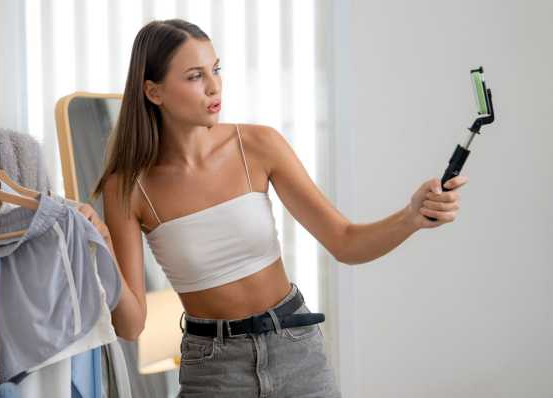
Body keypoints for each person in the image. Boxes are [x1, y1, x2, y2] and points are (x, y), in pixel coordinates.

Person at [78, 19, 468, 397]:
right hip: (213, 368)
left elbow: (345, 242)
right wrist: (103, 245)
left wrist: (411, 217)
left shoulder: (258, 146)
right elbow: (131, 325)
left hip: (295, 348)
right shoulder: (129, 187)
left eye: (216, 69)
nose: (214, 86)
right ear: (154, 92)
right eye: (195, 76)